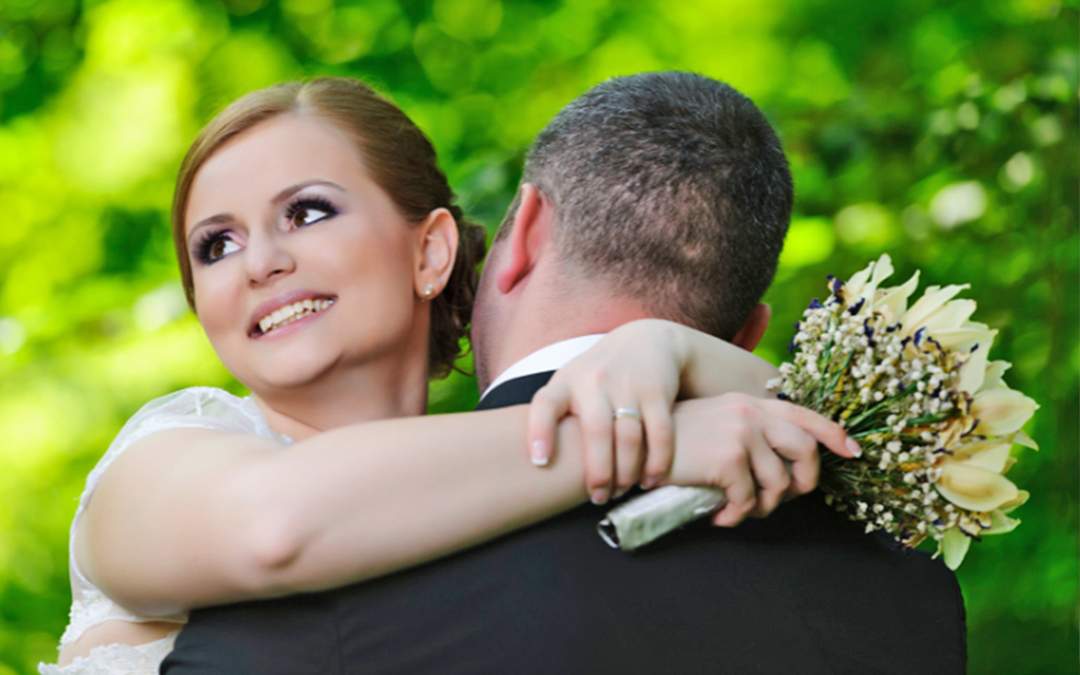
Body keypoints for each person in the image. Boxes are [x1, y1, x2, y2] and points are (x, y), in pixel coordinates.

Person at [40, 76, 855, 675]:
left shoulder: (485, 493)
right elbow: (276, 527)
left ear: (428, 250)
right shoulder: (159, 460)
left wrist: (667, 349)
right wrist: (652, 434)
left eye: (307, 211)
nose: (261, 262)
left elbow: (810, 439)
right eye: (215, 245)